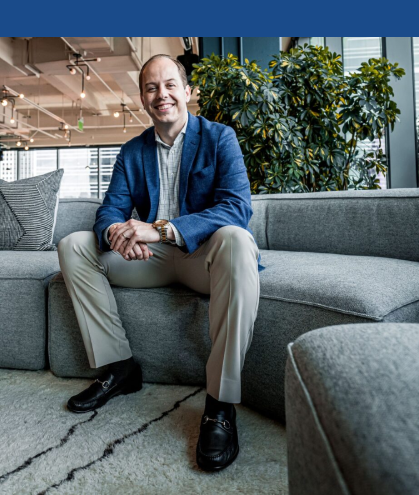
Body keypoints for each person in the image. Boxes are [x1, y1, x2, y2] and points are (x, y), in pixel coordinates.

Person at [57, 53, 264, 472]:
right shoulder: (132, 152)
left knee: (238, 240)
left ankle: (220, 403)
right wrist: (119, 234)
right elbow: (108, 213)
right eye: (151, 88)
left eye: (170, 85)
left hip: (204, 256)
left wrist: (162, 228)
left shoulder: (219, 138)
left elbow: (237, 208)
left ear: (187, 92)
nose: (161, 94)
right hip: (150, 259)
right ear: (142, 98)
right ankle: (120, 368)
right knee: (74, 244)